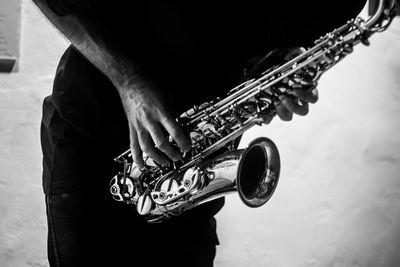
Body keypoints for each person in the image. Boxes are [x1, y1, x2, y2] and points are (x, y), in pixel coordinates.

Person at [33, 1, 366, 266]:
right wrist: (127, 80)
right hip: (95, 139)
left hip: (191, 174)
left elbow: (274, 53)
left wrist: (280, 76)